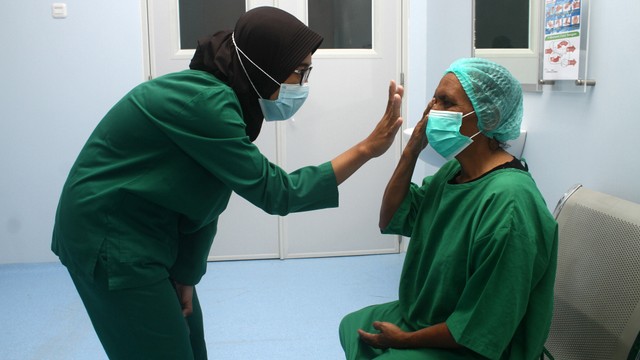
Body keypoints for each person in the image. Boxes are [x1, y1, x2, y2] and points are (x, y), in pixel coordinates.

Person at [51, 6, 403, 359]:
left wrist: (187, 274)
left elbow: (205, 201)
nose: (303, 83)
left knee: (190, 343)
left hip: (152, 228)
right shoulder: (207, 103)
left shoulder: (232, 100)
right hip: (109, 236)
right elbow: (278, 193)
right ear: (265, 63)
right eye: (298, 71)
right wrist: (367, 149)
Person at [339, 58, 558, 360]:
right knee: (351, 326)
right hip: (428, 316)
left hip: (479, 345)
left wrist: (405, 341)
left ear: (489, 117)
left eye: (446, 102)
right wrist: (411, 150)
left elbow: (483, 324)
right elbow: (389, 218)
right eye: (434, 99)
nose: (432, 112)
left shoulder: (510, 206)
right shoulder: (453, 172)